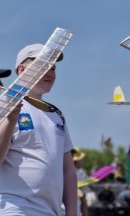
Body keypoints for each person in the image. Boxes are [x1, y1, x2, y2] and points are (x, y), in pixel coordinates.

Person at [0, 44, 77, 215]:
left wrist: (72, 213)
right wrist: (11, 120)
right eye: (43, 65)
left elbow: (68, 170)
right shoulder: (4, 103)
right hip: (14, 208)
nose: (50, 71)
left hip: (51, 211)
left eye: (53, 67)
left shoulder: (56, 114)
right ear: (21, 69)